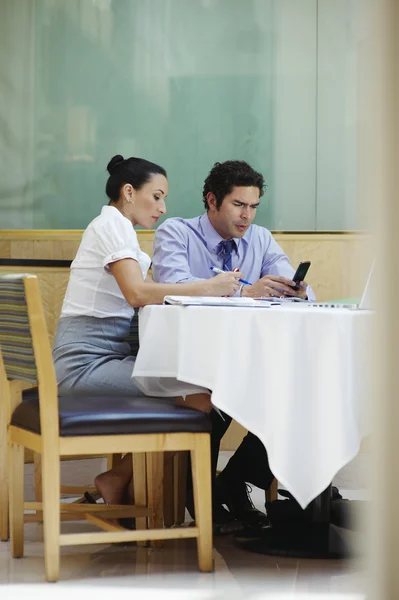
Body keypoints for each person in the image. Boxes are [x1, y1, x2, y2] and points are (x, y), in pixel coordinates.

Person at [53, 154, 243, 510]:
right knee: (202, 398)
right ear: (128, 192)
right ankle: (150, 492)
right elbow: (138, 293)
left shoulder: (118, 230)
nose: (162, 207)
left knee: (204, 390)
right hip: (83, 365)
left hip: (102, 357)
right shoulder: (110, 227)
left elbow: (148, 292)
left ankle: (127, 482)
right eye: (156, 196)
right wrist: (208, 286)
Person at [151, 159, 316, 532]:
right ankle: (201, 495)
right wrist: (246, 291)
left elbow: (291, 284)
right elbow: (173, 287)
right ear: (212, 200)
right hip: (187, 355)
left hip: (246, 354)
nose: (247, 216)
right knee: (210, 396)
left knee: (296, 394)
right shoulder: (176, 233)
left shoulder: (260, 238)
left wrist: (297, 290)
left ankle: (233, 478)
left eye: (254, 206)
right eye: (238, 205)